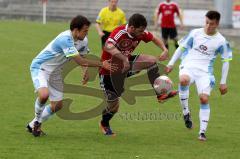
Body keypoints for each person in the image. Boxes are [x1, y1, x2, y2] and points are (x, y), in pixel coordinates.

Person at [26, 15, 116, 137]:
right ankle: (37, 121)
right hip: (41, 67)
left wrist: (85, 71)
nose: (87, 33)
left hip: (56, 72)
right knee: (44, 95)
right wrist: (102, 64)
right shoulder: (65, 39)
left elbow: (82, 56)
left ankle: (32, 125)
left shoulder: (83, 40)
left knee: (57, 106)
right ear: (76, 30)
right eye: (85, 31)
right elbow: (79, 60)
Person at [99, 13, 178, 136]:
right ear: (131, 28)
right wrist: (123, 59)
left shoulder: (140, 32)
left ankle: (160, 94)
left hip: (125, 64)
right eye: (140, 31)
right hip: (109, 71)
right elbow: (108, 46)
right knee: (114, 106)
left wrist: (165, 49)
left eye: (143, 31)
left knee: (151, 61)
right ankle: (104, 123)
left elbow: (153, 38)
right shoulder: (120, 33)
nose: (142, 34)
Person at [165, 10, 232, 141]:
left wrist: (223, 82)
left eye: (211, 23)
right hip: (188, 66)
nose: (207, 26)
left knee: (204, 99)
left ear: (217, 24)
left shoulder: (221, 41)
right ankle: (186, 112)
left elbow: (226, 62)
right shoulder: (195, 33)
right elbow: (181, 48)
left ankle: (202, 132)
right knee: (183, 80)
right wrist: (171, 64)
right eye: (206, 22)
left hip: (205, 73)